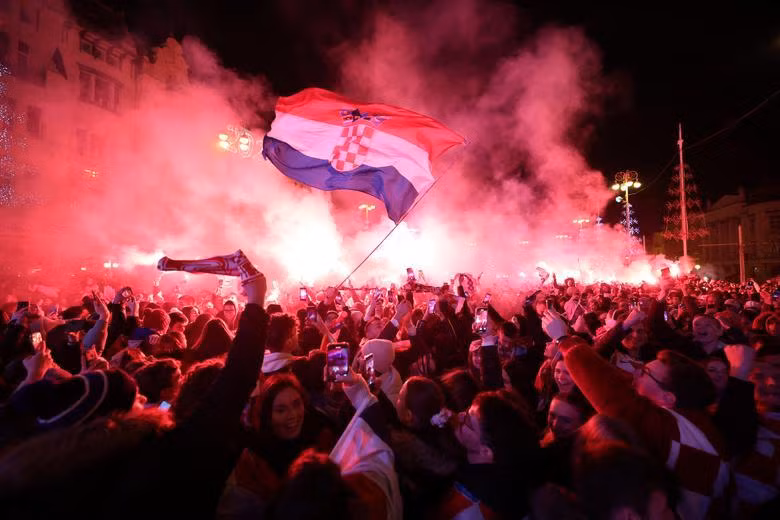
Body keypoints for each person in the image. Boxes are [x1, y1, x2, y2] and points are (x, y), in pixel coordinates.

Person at [560, 336, 731, 520]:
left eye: (644, 372)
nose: (635, 373)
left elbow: (614, 394)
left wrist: (565, 342)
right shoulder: (694, 417)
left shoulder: (673, 429)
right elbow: (622, 380)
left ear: (668, 398)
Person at [221, 373, 336, 514]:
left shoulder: (321, 436)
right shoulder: (254, 457)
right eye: (281, 410)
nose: (293, 414)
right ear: (267, 416)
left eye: (296, 404)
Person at [437, 390, 541, 519]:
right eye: (467, 411)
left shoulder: (473, 511)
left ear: (486, 451)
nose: (459, 416)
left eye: (468, 422)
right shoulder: (501, 478)